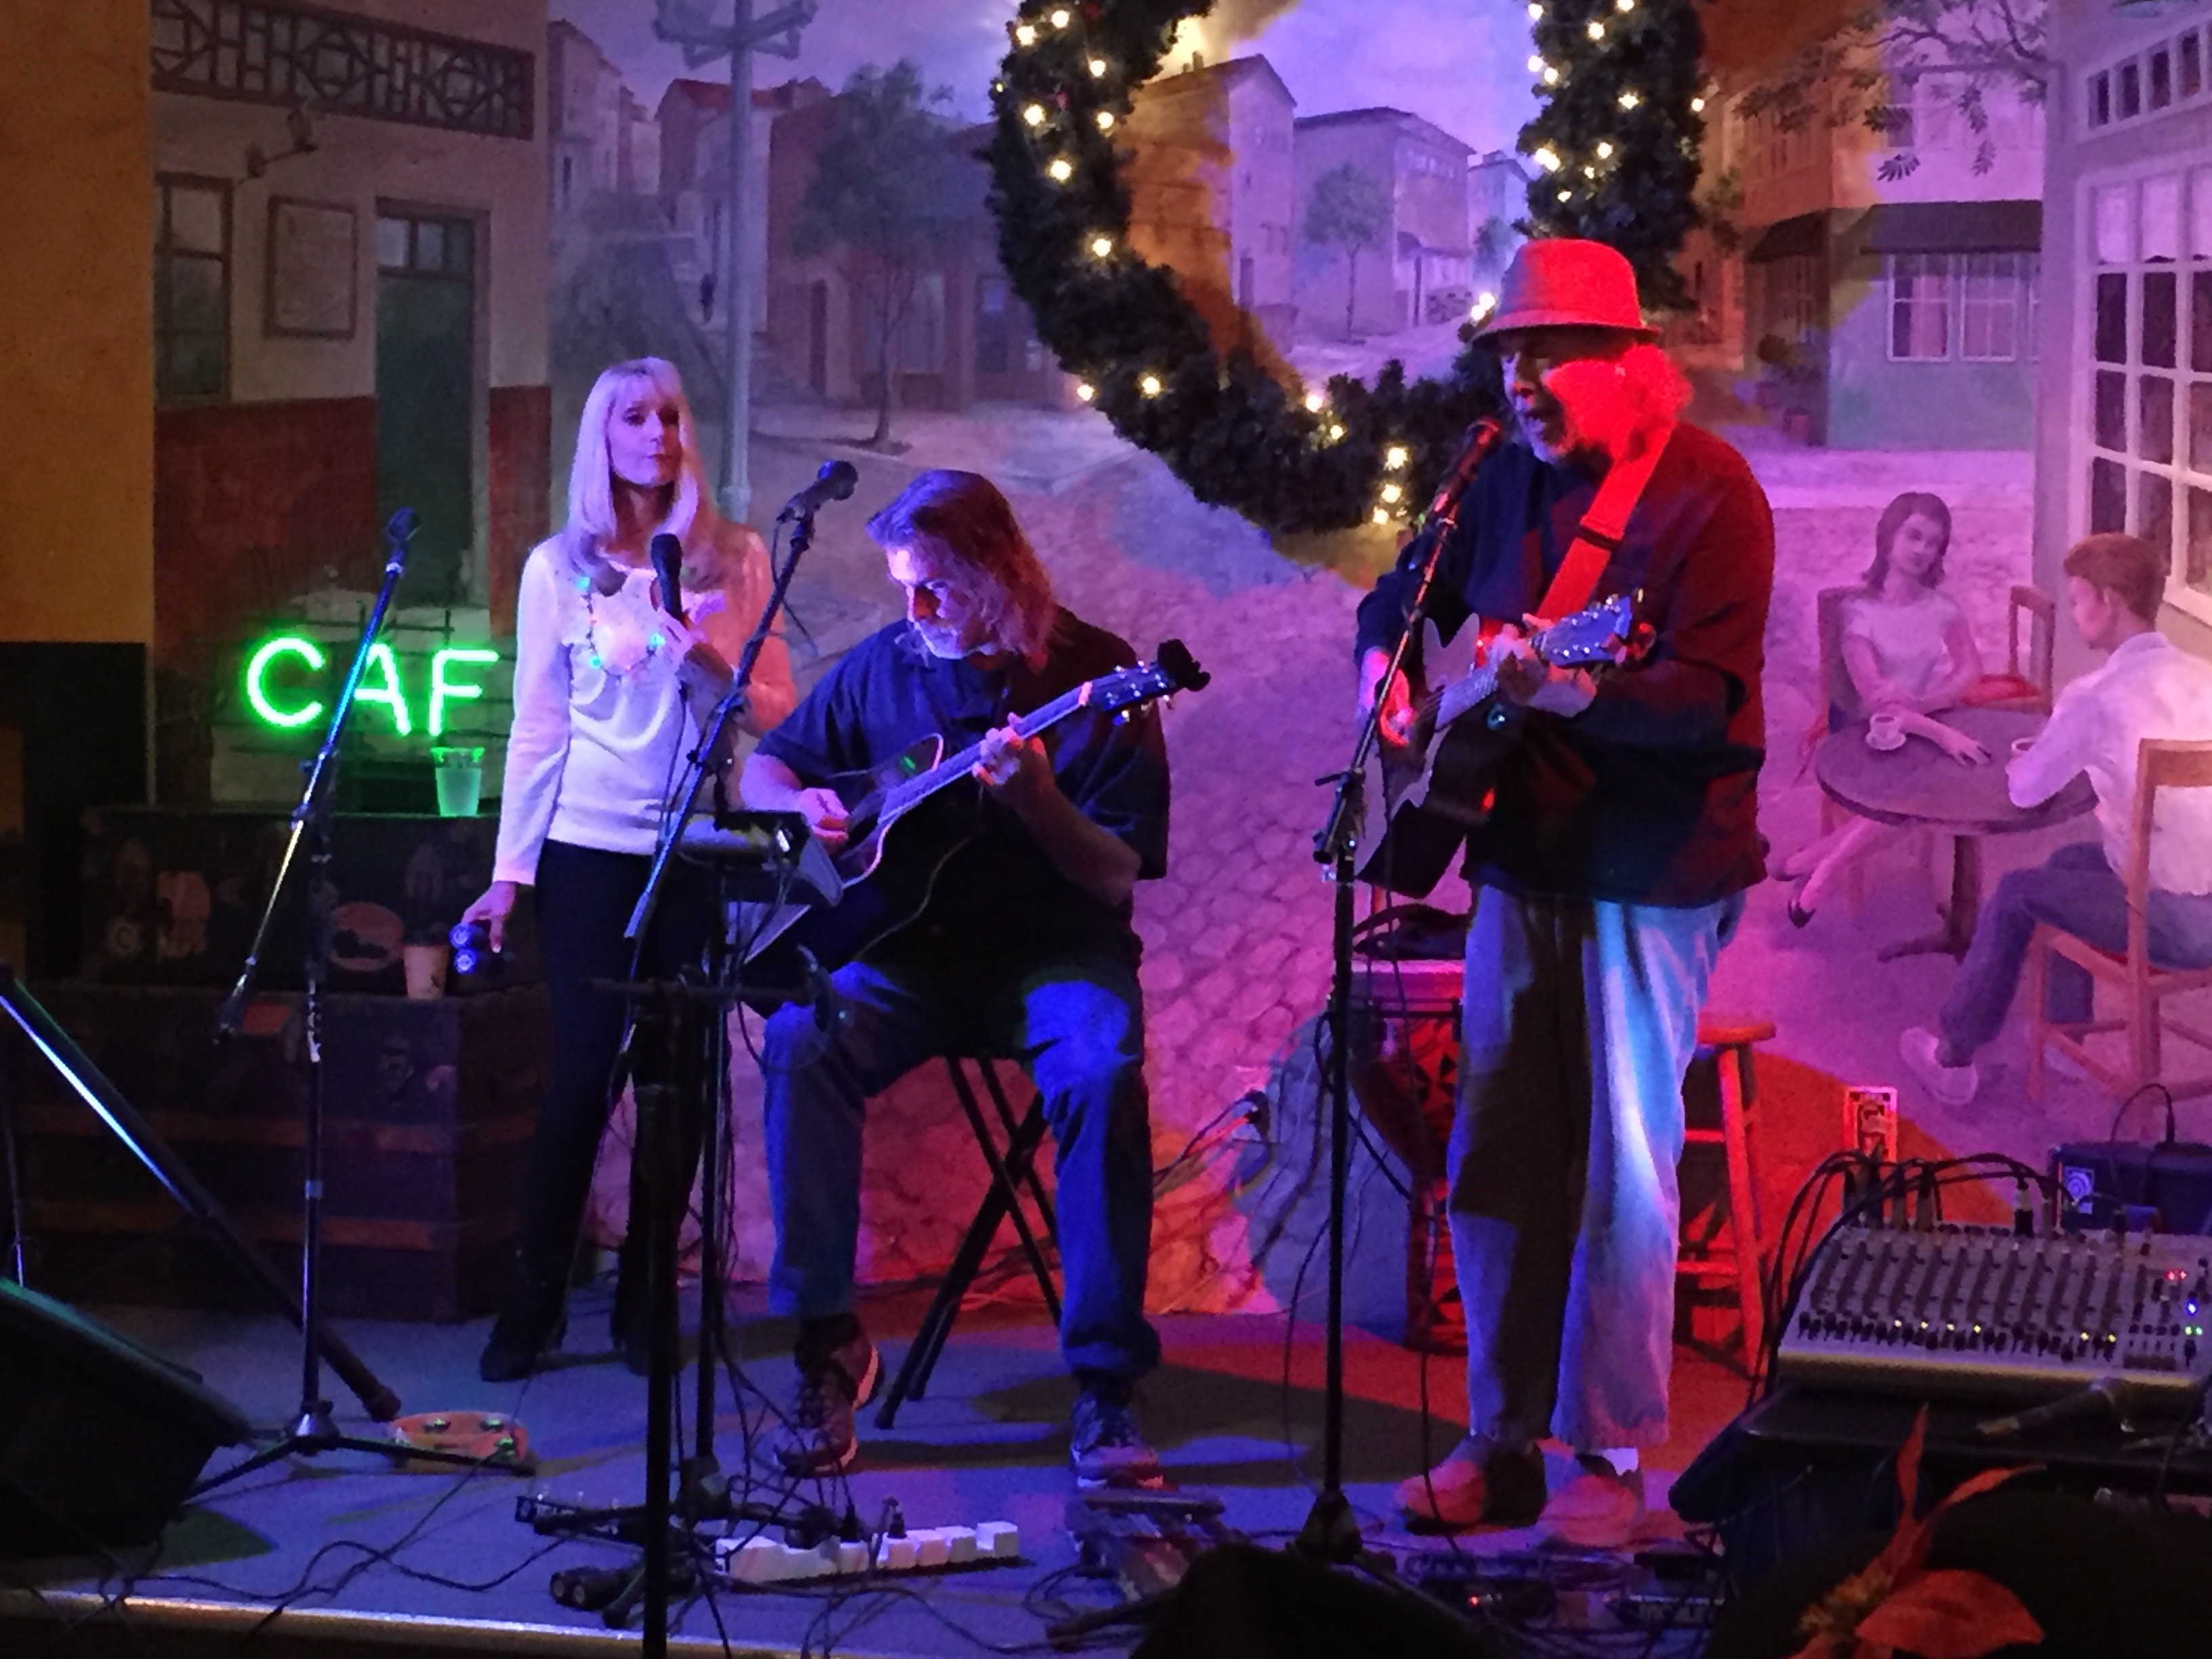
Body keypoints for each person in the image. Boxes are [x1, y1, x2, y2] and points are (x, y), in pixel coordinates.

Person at [1355, 239, 1774, 1545]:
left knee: (1621, 1168)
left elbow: (1705, 708)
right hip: (1515, 855)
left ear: (1627, 363)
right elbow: (1396, 601)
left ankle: (1608, 1455)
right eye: (1508, 359)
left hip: (1650, 870)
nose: (1520, 383)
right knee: (1496, 1152)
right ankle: (1497, 1440)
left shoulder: (1709, 495)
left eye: (1547, 357)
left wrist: (1569, 684)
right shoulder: (1495, 478)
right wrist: (1385, 674)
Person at [739, 469, 1169, 1487]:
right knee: (799, 1038)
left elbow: (1115, 874)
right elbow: (769, 765)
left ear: (997, 572)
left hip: (1057, 957)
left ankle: (1106, 1381)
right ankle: (827, 1346)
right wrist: (798, 808)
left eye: (933, 586)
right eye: (902, 586)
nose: (914, 609)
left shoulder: (1098, 677)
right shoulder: (886, 666)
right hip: (910, 959)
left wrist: (1040, 802)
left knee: (1100, 1071)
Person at [463, 357, 796, 1383]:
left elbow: (777, 710)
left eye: (670, 416)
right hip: (587, 853)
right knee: (580, 1076)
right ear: (602, 438)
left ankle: (648, 1298)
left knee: (677, 1082)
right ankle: (532, 1304)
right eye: (634, 417)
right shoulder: (557, 569)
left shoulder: (734, 559)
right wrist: (510, 873)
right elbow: (537, 725)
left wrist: (706, 658)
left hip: (693, 849)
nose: (657, 434)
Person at [1900, 532, 2212, 1106]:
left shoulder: (2095, 696)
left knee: (2018, 892)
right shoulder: (2205, 676)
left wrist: (2035, 757)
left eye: (2077, 600)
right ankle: (2066, 1038)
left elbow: (2025, 792)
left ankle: (1953, 1057)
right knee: (2069, 861)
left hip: (2179, 922)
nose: (2073, 614)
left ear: (2108, 601)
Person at [1777, 492, 1992, 925]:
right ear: (1889, 535)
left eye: (1933, 543)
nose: (1922, 550)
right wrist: (1940, 732)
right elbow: (1875, 696)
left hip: (1919, 727)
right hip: (1864, 736)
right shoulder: (1858, 611)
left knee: (1940, 790)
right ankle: (1822, 876)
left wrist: (1929, 704)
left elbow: (1971, 669)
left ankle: (1812, 862)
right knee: (1919, 802)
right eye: (1914, 536)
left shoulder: (1943, 609)